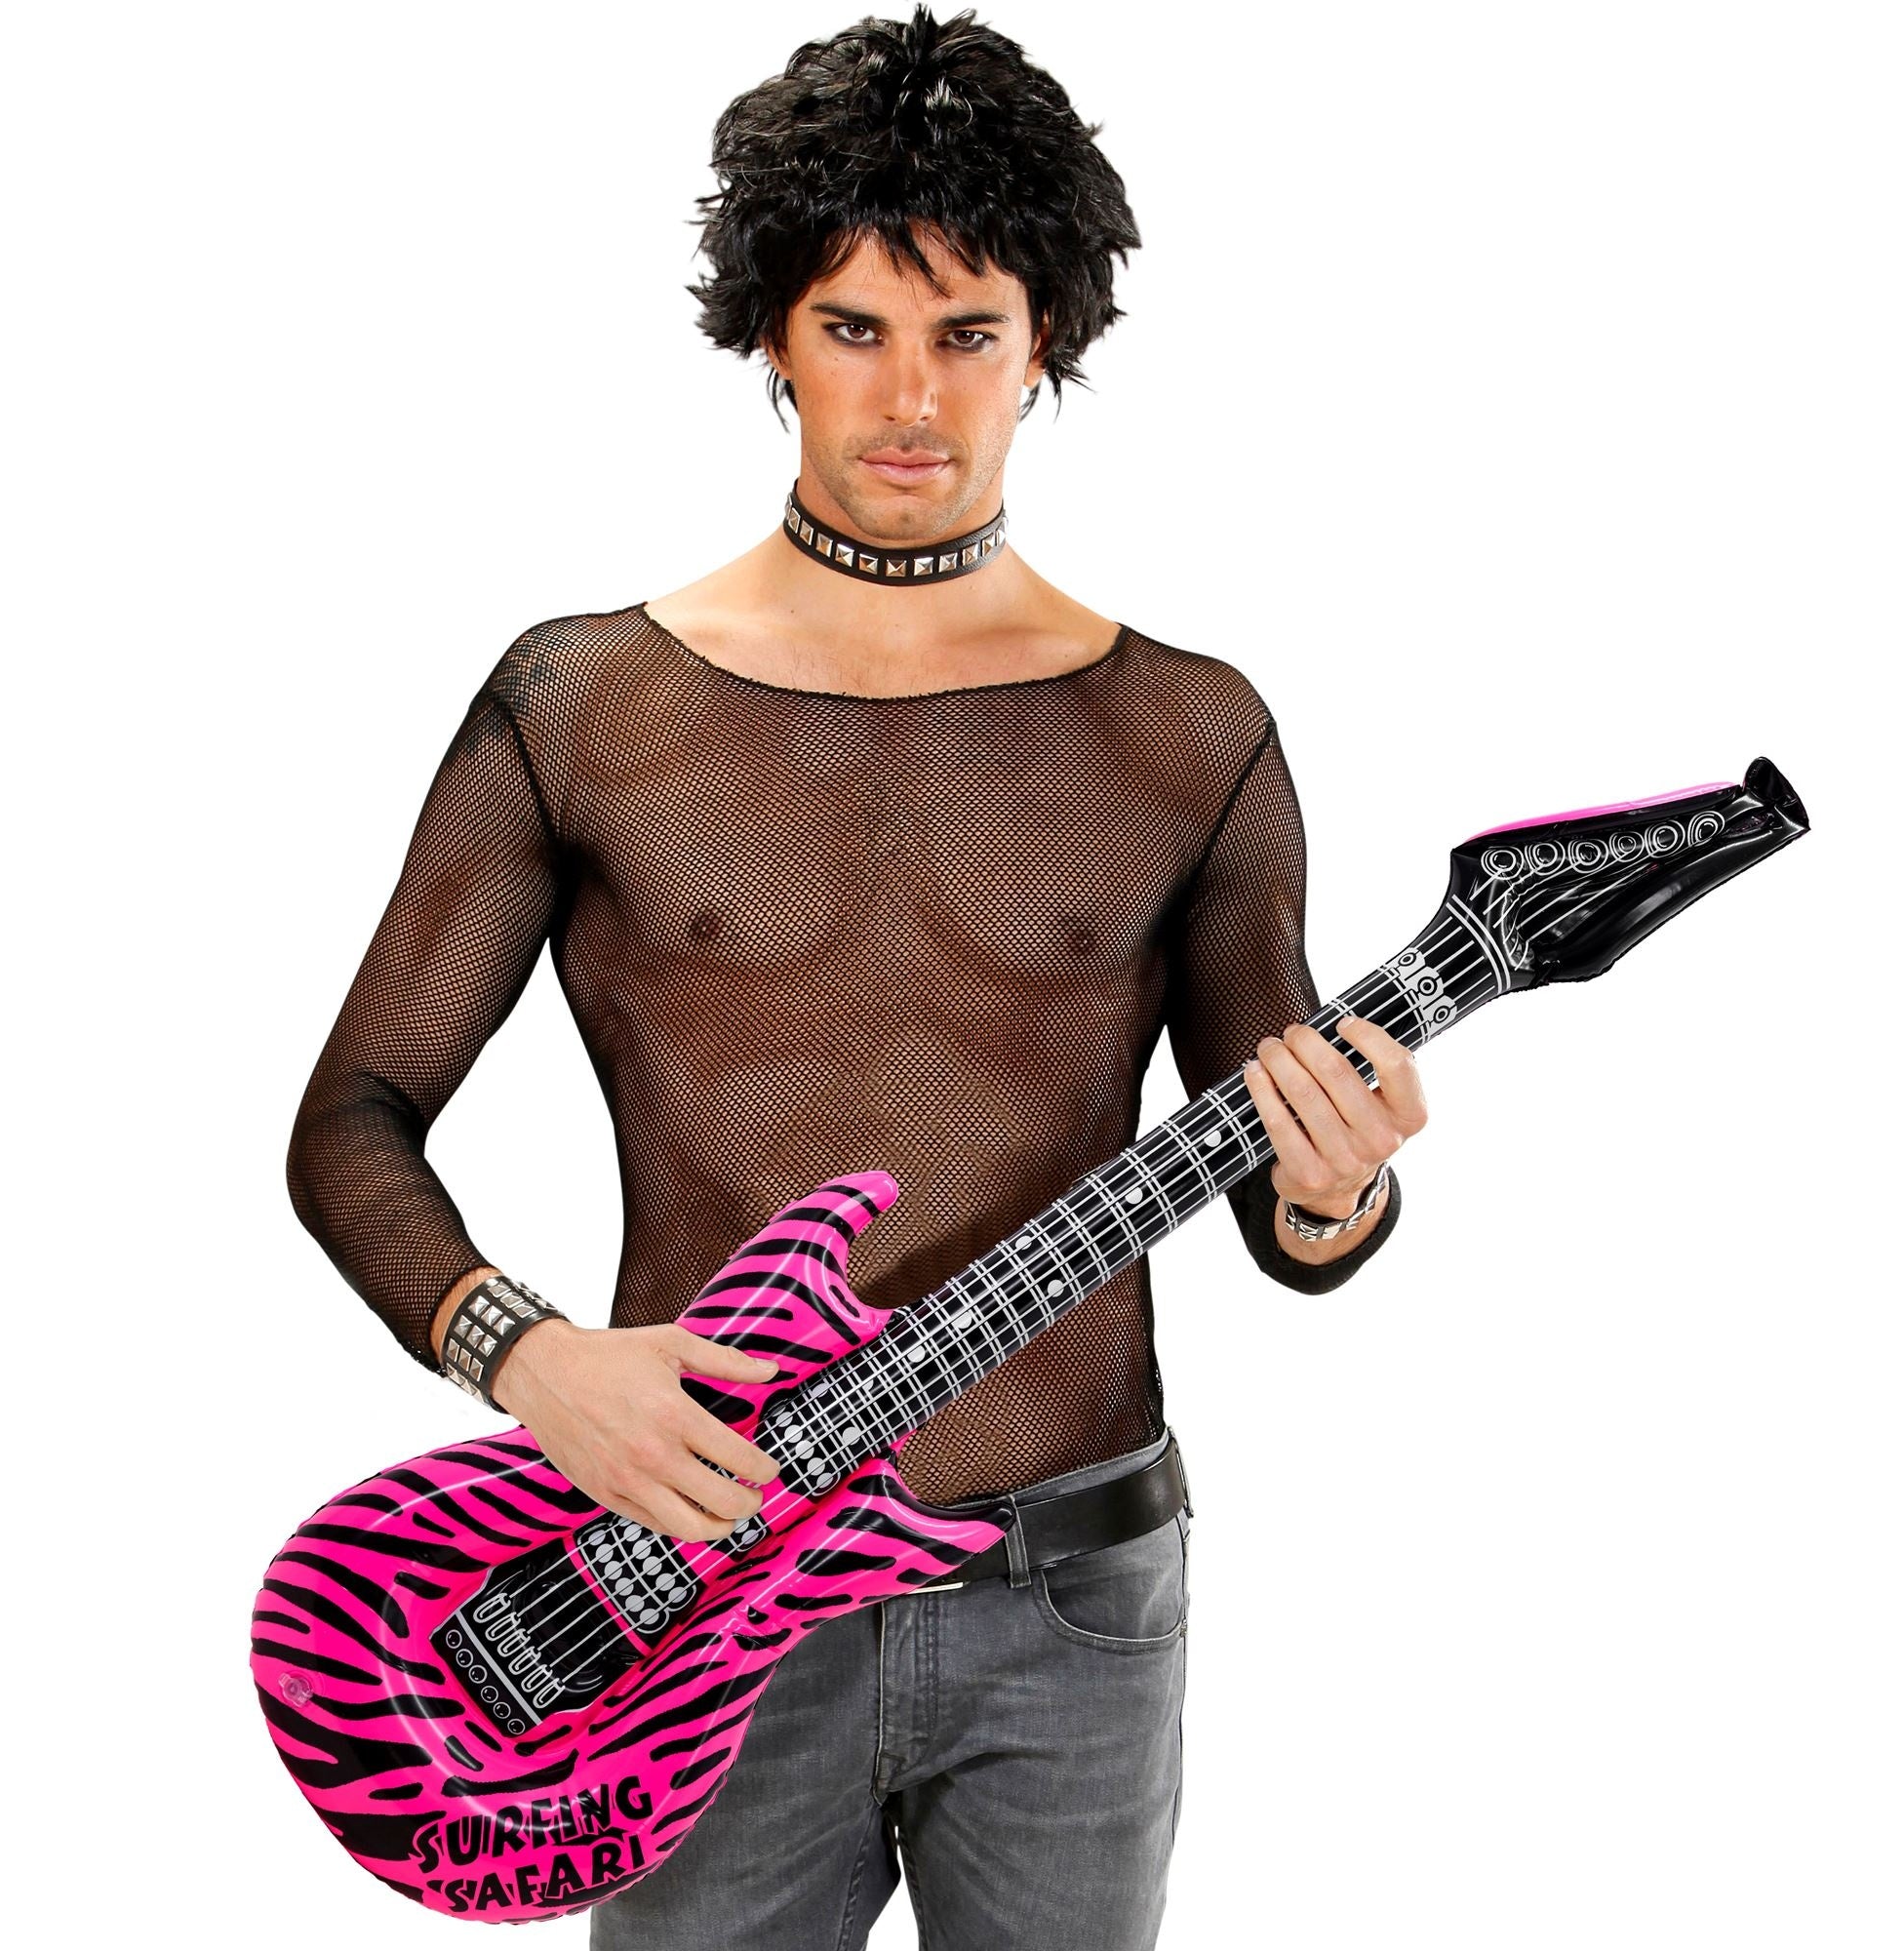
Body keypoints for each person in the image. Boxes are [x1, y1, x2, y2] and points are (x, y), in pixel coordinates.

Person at [285, 7, 1428, 1945]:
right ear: (770, 336)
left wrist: (1340, 1193)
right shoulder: (587, 704)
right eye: (854, 327)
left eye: (967, 333)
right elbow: (352, 1123)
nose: (912, 396)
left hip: (1073, 1595)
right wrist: (531, 1359)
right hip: (674, 1591)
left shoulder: (1187, 732)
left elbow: (1282, 1203)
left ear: (1044, 342)